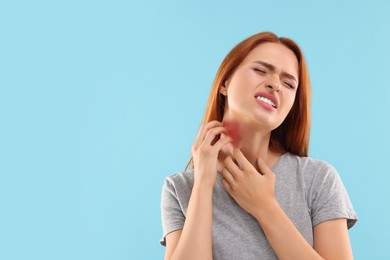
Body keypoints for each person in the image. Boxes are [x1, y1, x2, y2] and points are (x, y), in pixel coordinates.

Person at [160, 32, 358, 260]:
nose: (275, 85)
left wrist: (265, 207)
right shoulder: (180, 189)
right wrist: (203, 183)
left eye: (288, 83)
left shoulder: (318, 179)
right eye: (261, 70)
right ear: (225, 82)